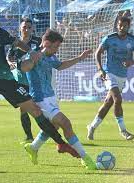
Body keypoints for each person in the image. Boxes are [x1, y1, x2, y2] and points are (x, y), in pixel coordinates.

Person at [0, 10, 78, 171]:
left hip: (7, 79)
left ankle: (61, 144)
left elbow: (17, 42)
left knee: (35, 110)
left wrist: (31, 51)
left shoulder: (1, 33)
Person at [21, 29, 97, 170]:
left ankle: (33, 147)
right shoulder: (35, 55)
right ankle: (85, 158)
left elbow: (61, 66)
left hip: (50, 97)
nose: (57, 50)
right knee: (65, 123)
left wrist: (80, 58)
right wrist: (34, 58)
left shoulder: (52, 57)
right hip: (40, 99)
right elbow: (24, 67)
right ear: (47, 43)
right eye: (56, 47)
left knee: (53, 127)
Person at [87, 17, 134, 141]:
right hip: (109, 73)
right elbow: (98, 53)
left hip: (122, 74)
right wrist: (101, 69)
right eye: (120, 25)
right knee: (118, 98)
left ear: (129, 26)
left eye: (125, 26)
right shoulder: (110, 39)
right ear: (117, 25)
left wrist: (131, 61)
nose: (122, 28)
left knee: (108, 103)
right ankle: (123, 130)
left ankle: (92, 126)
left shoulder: (133, 41)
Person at [7, 17, 42, 144]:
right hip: (21, 79)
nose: (26, 29)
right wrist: (10, 63)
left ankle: (49, 131)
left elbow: (41, 55)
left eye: (29, 27)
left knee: (40, 107)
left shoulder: (37, 41)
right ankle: (29, 136)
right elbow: (9, 57)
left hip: (35, 79)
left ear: (32, 29)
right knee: (24, 108)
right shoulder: (15, 42)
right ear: (20, 28)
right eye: (24, 27)